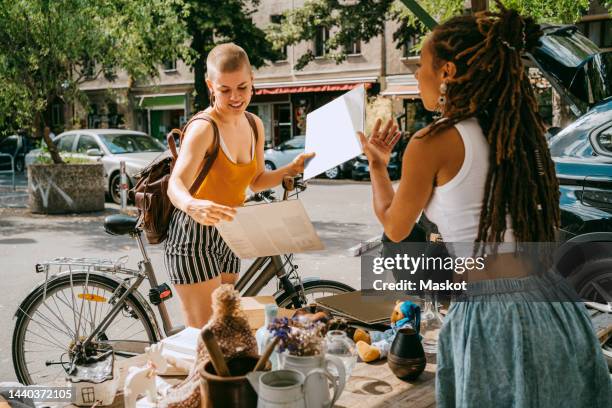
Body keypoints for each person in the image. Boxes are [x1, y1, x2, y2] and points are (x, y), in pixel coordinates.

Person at [358, 3, 611, 407]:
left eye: (421, 65)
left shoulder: (431, 143)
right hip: (552, 303)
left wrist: (376, 166)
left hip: (490, 315)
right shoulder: (520, 134)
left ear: (447, 73)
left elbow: (395, 228)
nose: (416, 75)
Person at [166, 43, 314, 328]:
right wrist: (191, 204)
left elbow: (256, 180)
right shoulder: (203, 128)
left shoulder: (255, 124)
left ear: (252, 81)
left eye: (242, 88)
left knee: (226, 326)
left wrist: (290, 169)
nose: (235, 97)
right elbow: (176, 184)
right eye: (224, 90)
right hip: (194, 232)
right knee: (207, 334)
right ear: (210, 85)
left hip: (230, 231)